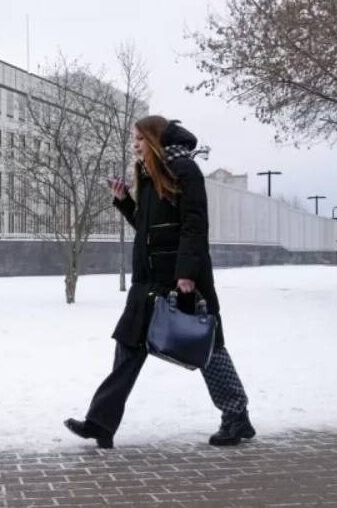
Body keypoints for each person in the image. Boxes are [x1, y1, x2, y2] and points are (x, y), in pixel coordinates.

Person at [64, 116, 255, 449]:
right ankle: (101, 423)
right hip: (147, 282)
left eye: (139, 138)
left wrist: (187, 273)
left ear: (155, 138)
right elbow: (149, 226)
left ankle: (236, 417)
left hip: (181, 279)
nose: (134, 144)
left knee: (207, 348)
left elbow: (194, 225)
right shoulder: (149, 174)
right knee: (128, 345)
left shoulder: (185, 170)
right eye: (133, 139)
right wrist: (124, 200)